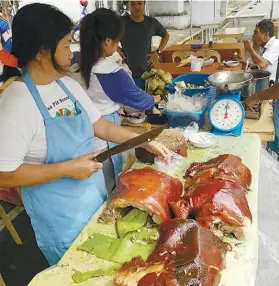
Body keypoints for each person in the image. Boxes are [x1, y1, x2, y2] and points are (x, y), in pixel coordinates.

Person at [0, 3, 170, 266]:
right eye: (66, 45)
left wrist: (146, 140)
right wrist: (67, 168)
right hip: (61, 220)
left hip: (94, 200)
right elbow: (4, 173)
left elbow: (100, 126)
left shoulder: (67, 85)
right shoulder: (17, 101)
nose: (72, 52)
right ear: (43, 50)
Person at [79, 8, 160, 191]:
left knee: (93, 181)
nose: (117, 46)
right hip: (105, 132)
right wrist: (152, 99)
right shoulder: (109, 70)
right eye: (117, 41)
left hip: (82, 133)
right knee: (108, 179)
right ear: (107, 41)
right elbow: (134, 97)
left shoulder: (78, 64)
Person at [117, 1, 170, 89]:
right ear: (128, 6)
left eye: (140, 3)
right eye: (133, 4)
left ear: (144, 4)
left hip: (147, 75)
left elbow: (166, 35)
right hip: (128, 75)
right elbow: (107, 38)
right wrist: (118, 49)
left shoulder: (151, 22)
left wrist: (158, 52)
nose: (136, 7)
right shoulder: (121, 22)